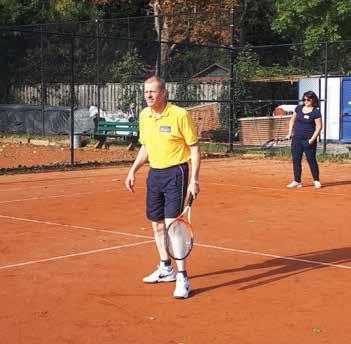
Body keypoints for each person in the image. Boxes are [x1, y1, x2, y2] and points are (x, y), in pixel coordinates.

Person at [125, 75, 200, 299]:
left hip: (176, 173)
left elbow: (194, 149)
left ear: (163, 93)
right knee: (156, 225)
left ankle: (182, 278)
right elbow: (146, 147)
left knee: (172, 227)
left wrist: (194, 179)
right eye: (146, 91)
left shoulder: (180, 115)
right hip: (154, 174)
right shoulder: (144, 115)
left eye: (153, 91)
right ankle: (165, 268)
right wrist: (133, 170)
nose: (148, 95)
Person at [286, 91, 323, 188]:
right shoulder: (298, 108)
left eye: (308, 99)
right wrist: (290, 133)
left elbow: (319, 127)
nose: (306, 101)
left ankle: (316, 180)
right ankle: (297, 181)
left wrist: (311, 140)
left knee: (311, 160)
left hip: (308, 140)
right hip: (296, 140)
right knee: (296, 160)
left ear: (313, 100)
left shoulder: (316, 111)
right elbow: (292, 121)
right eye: (304, 99)